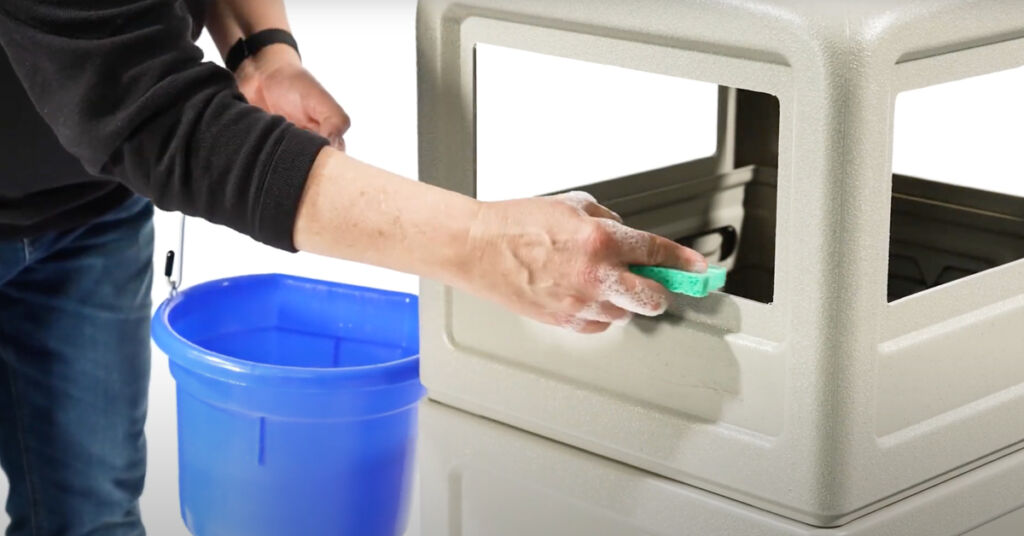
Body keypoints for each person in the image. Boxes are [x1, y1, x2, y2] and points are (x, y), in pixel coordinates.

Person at [0, 0, 707, 534]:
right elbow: (153, 118)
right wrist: (484, 243)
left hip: (91, 210)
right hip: (92, 160)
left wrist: (263, 53)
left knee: (90, 513)